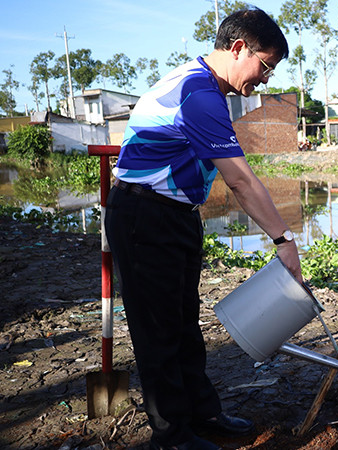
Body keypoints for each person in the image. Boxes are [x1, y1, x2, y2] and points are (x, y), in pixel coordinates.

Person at [105, 8, 301, 450]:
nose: (266, 80)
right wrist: (284, 240)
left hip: (173, 215)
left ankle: (201, 413)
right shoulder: (198, 93)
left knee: (183, 323)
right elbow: (240, 180)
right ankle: (172, 435)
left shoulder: (205, 87)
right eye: (265, 66)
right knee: (157, 329)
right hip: (144, 217)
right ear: (238, 49)